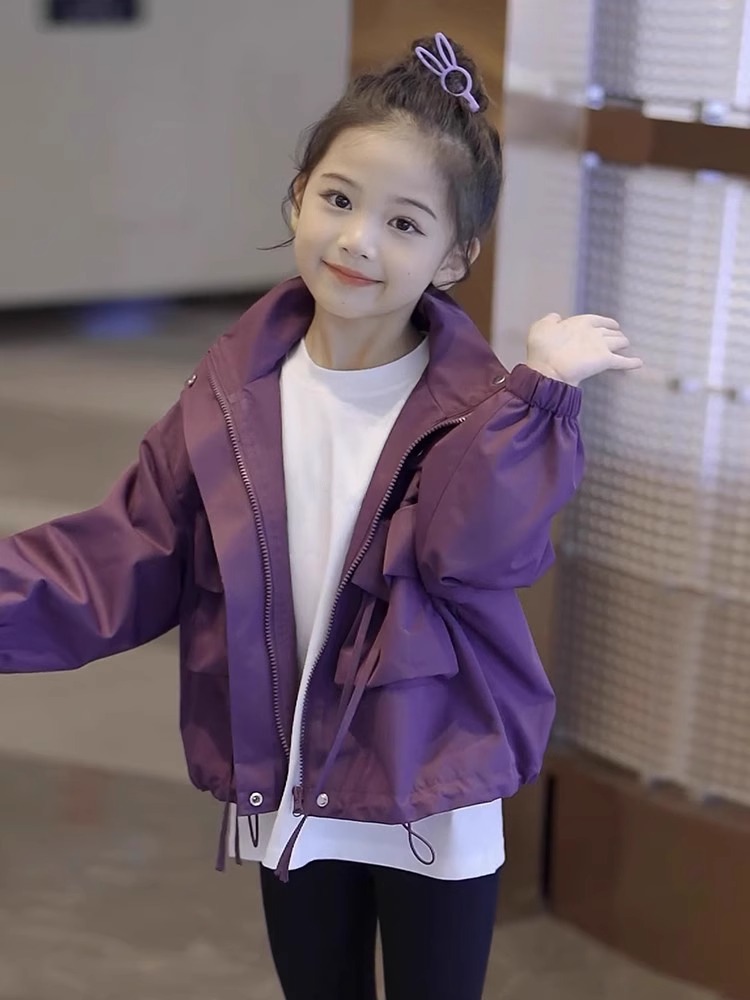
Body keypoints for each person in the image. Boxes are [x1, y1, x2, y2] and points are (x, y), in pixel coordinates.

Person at [0, 31, 642, 1000]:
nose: (357, 240)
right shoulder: (228, 398)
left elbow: (474, 549)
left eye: (403, 222)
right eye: (339, 200)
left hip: (429, 786)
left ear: (456, 256)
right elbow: (122, 555)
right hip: (292, 780)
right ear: (298, 196)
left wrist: (539, 396)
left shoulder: (482, 411)